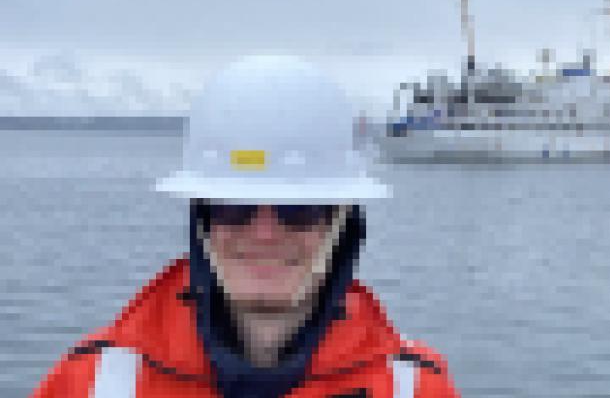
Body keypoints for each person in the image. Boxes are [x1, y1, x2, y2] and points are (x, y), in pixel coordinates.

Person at [32, 55, 459, 398]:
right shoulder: (92, 382)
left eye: (300, 211)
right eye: (234, 207)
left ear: (343, 223)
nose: (265, 233)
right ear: (201, 221)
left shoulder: (415, 387)